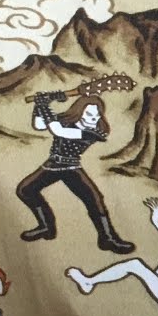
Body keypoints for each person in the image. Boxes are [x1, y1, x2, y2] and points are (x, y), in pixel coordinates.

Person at [17, 92, 133, 254]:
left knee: (94, 199)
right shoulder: (66, 121)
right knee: (25, 190)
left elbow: (58, 131)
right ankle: (46, 227)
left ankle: (108, 238)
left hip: (71, 168)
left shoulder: (94, 133)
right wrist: (40, 104)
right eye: (89, 114)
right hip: (52, 165)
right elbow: (40, 125)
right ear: (79, 111)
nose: (93, 118)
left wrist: (44, 104)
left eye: (97, 115)